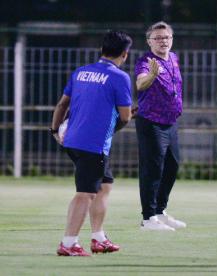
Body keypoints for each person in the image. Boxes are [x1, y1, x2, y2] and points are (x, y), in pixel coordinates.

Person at [50, 31, 133, 256]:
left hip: (73, 140)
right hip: (93, 145)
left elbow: (61, 105)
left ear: (101, 50)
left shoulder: (81, 72)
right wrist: (120, 121)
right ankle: (68, 244)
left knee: (104, 186)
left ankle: (98, 238)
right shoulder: (120, 77)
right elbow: (125, 117)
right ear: (125, 55)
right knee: (85, 193)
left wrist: (55, 130)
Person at [134, 21, 186, 231]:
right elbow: (140, 84)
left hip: (170, 122)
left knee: (172, 166)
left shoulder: (174, 59)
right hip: (151, 122)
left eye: (166, 37)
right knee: (152, 169)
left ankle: (159, 211)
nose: (163, 41)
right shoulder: (145, 61)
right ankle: (148, 218)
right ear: (149, 42)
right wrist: (152, 76)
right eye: (158, 38)